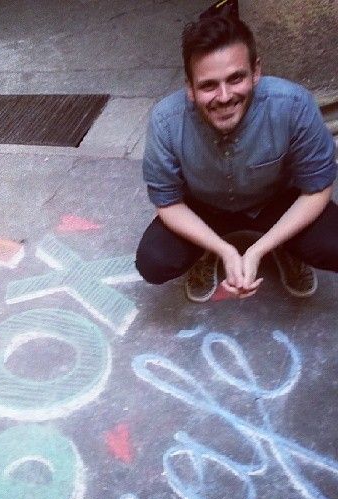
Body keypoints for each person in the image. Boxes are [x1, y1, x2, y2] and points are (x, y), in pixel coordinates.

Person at [136, 15, 338, 302]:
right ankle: (205, 251)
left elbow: (317, 188)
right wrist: (224, 249)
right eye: (208, 86)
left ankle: (285, 245)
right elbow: (166, 202)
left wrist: (259, 249)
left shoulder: (294, 104)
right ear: (189, 88)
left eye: (236, 78)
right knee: (154, 261)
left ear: (256, 72)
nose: (224, 96)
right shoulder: (166, 121)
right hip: (205, 208)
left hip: (275, 202)